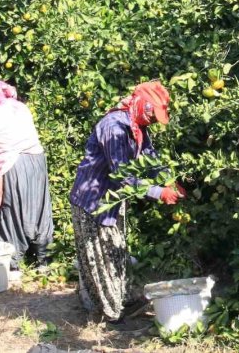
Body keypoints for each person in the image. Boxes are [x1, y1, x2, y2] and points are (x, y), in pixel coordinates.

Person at [68, 80, 185, 322]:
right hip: (94, 201)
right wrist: (158, 192)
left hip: (112, 201)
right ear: (142, 105)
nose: (154, 121)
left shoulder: (137, 126)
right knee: (99, 257)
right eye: (154, 114)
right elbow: (122, 175)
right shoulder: (115, 127)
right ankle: (111, 314)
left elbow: (149, 158)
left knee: (116, 251)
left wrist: (167, 180)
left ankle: (123, 301)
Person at [0, 79, 53, 280]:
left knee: (12, 212)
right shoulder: (22, 108)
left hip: (14, 164)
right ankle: (44, 260)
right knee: (40, 209)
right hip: (37, 161)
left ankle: (12, 265)